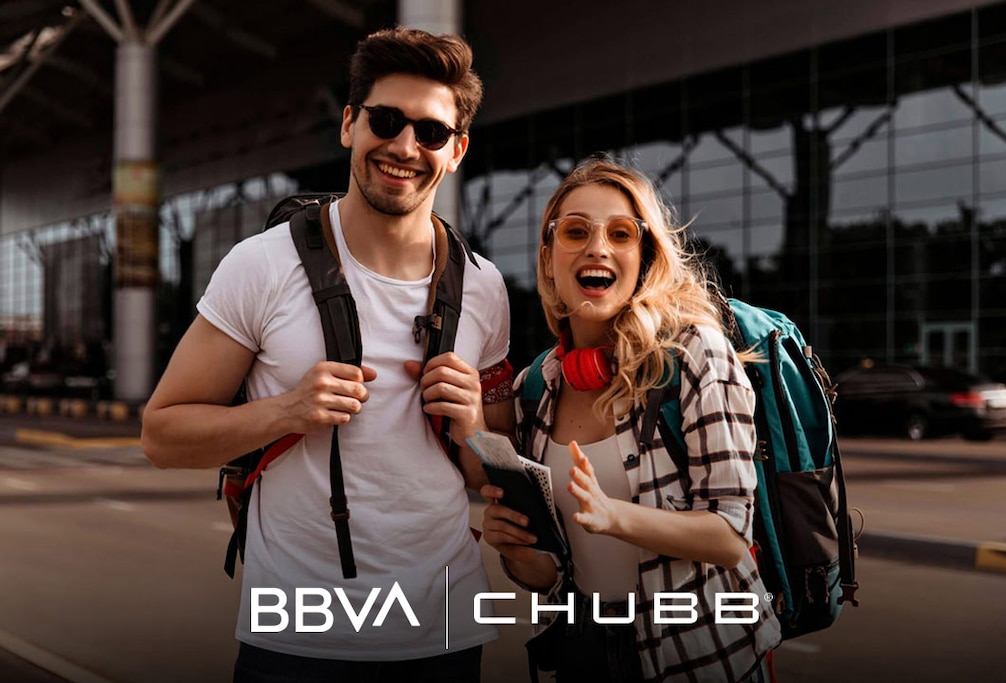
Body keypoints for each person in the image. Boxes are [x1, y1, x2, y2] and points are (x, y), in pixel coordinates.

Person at [142, 27, 514, 683]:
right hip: (297, 638)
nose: (405, 147)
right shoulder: (261, 265)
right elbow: (161, 435)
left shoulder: (483, 285)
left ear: (456, 150)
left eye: (431, 132)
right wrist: (286, 411)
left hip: (445, 630)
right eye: (386, 120)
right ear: (349, 124)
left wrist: (475, 428)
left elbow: (492, 476)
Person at [481, 157, 781, 682]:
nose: (597, 247)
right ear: (549, 258)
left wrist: (613, 516)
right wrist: (515, 550)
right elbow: (549, 573)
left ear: (644, 258)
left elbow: (729, 534)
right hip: (582, 654)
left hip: (698, 657)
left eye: (620, 233)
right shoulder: (537, 387)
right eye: (576, 231)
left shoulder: (696, 355)